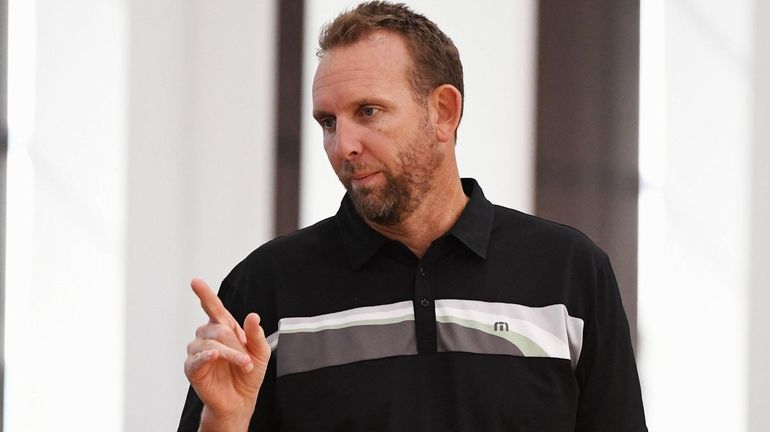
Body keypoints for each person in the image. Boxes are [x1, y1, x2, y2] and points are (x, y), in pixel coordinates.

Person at [178, 2, 647, 431]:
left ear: (443, 112)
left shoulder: (570, 273)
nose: (343, 146)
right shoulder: (265, 289)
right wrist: (224, 421)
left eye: (368, 111)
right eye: (328, 122)